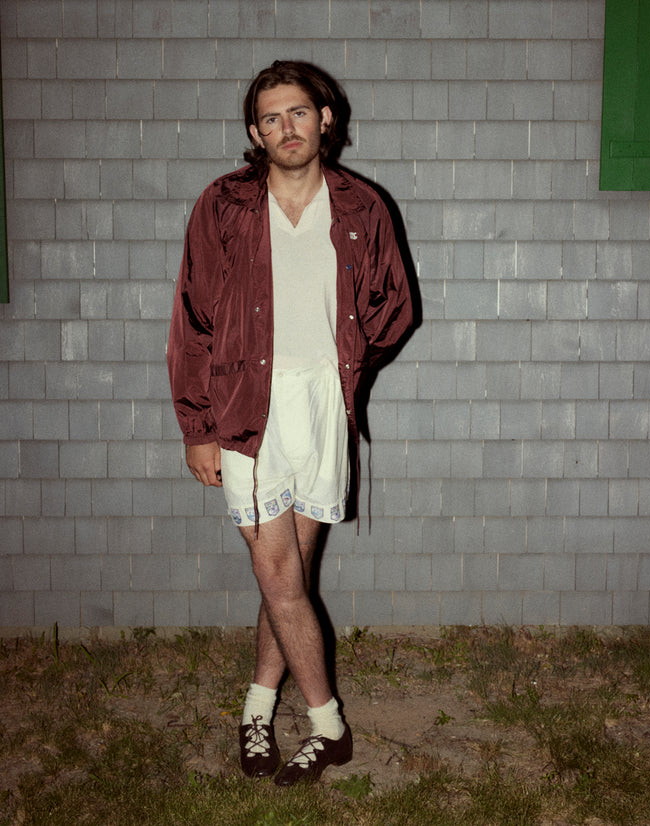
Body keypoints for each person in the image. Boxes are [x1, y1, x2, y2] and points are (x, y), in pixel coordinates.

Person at [167, 60, 413, 786]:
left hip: (322, 407)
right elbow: (192, 318)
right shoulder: (224, 205)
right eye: (271, 118)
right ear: (255, 132)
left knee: (291, 579)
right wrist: (197, 425)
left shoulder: (363, 206)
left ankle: (255, 704)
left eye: (298, 113)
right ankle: (330, 724)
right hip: (245, 406)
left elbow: (394, 306)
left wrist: (348, 355)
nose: (287, 128)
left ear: (324, 118)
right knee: (277, 572)